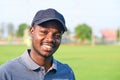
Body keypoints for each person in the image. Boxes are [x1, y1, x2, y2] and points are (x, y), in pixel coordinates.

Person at [0, 8, 75, 80]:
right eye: (44, 32)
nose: (50, 39)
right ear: (32, 31)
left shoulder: (67, 73)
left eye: (57, 35)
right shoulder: (7, 73)